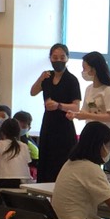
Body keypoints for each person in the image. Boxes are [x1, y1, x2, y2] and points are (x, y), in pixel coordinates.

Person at [66, 50, 110, 183]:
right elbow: (84, 112)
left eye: (85, 68)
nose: (83, 72)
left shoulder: (108, 90)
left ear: (94, 69)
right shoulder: (89, 89)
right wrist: (74, 115)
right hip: (94, 138)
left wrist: (87, 115)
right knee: (92, 173)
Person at [32, 43, 81, 183]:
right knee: (46, 161)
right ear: (50, 58)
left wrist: (59, 106)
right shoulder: (47, 77)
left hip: (64, 126)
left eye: (62, 57)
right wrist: (40, 78)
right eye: (55, 57)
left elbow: (76, 107)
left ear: (67, 58)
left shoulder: (71, 80)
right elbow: (33, 92)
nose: (58, 60)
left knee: (61, 162)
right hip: (48, 124)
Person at [0, 116, 33, 187]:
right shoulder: (24, 146)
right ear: (19, 131)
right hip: (23, 181)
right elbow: (28, 162)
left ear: (2, 132)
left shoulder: (1, 143)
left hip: (4, 179)